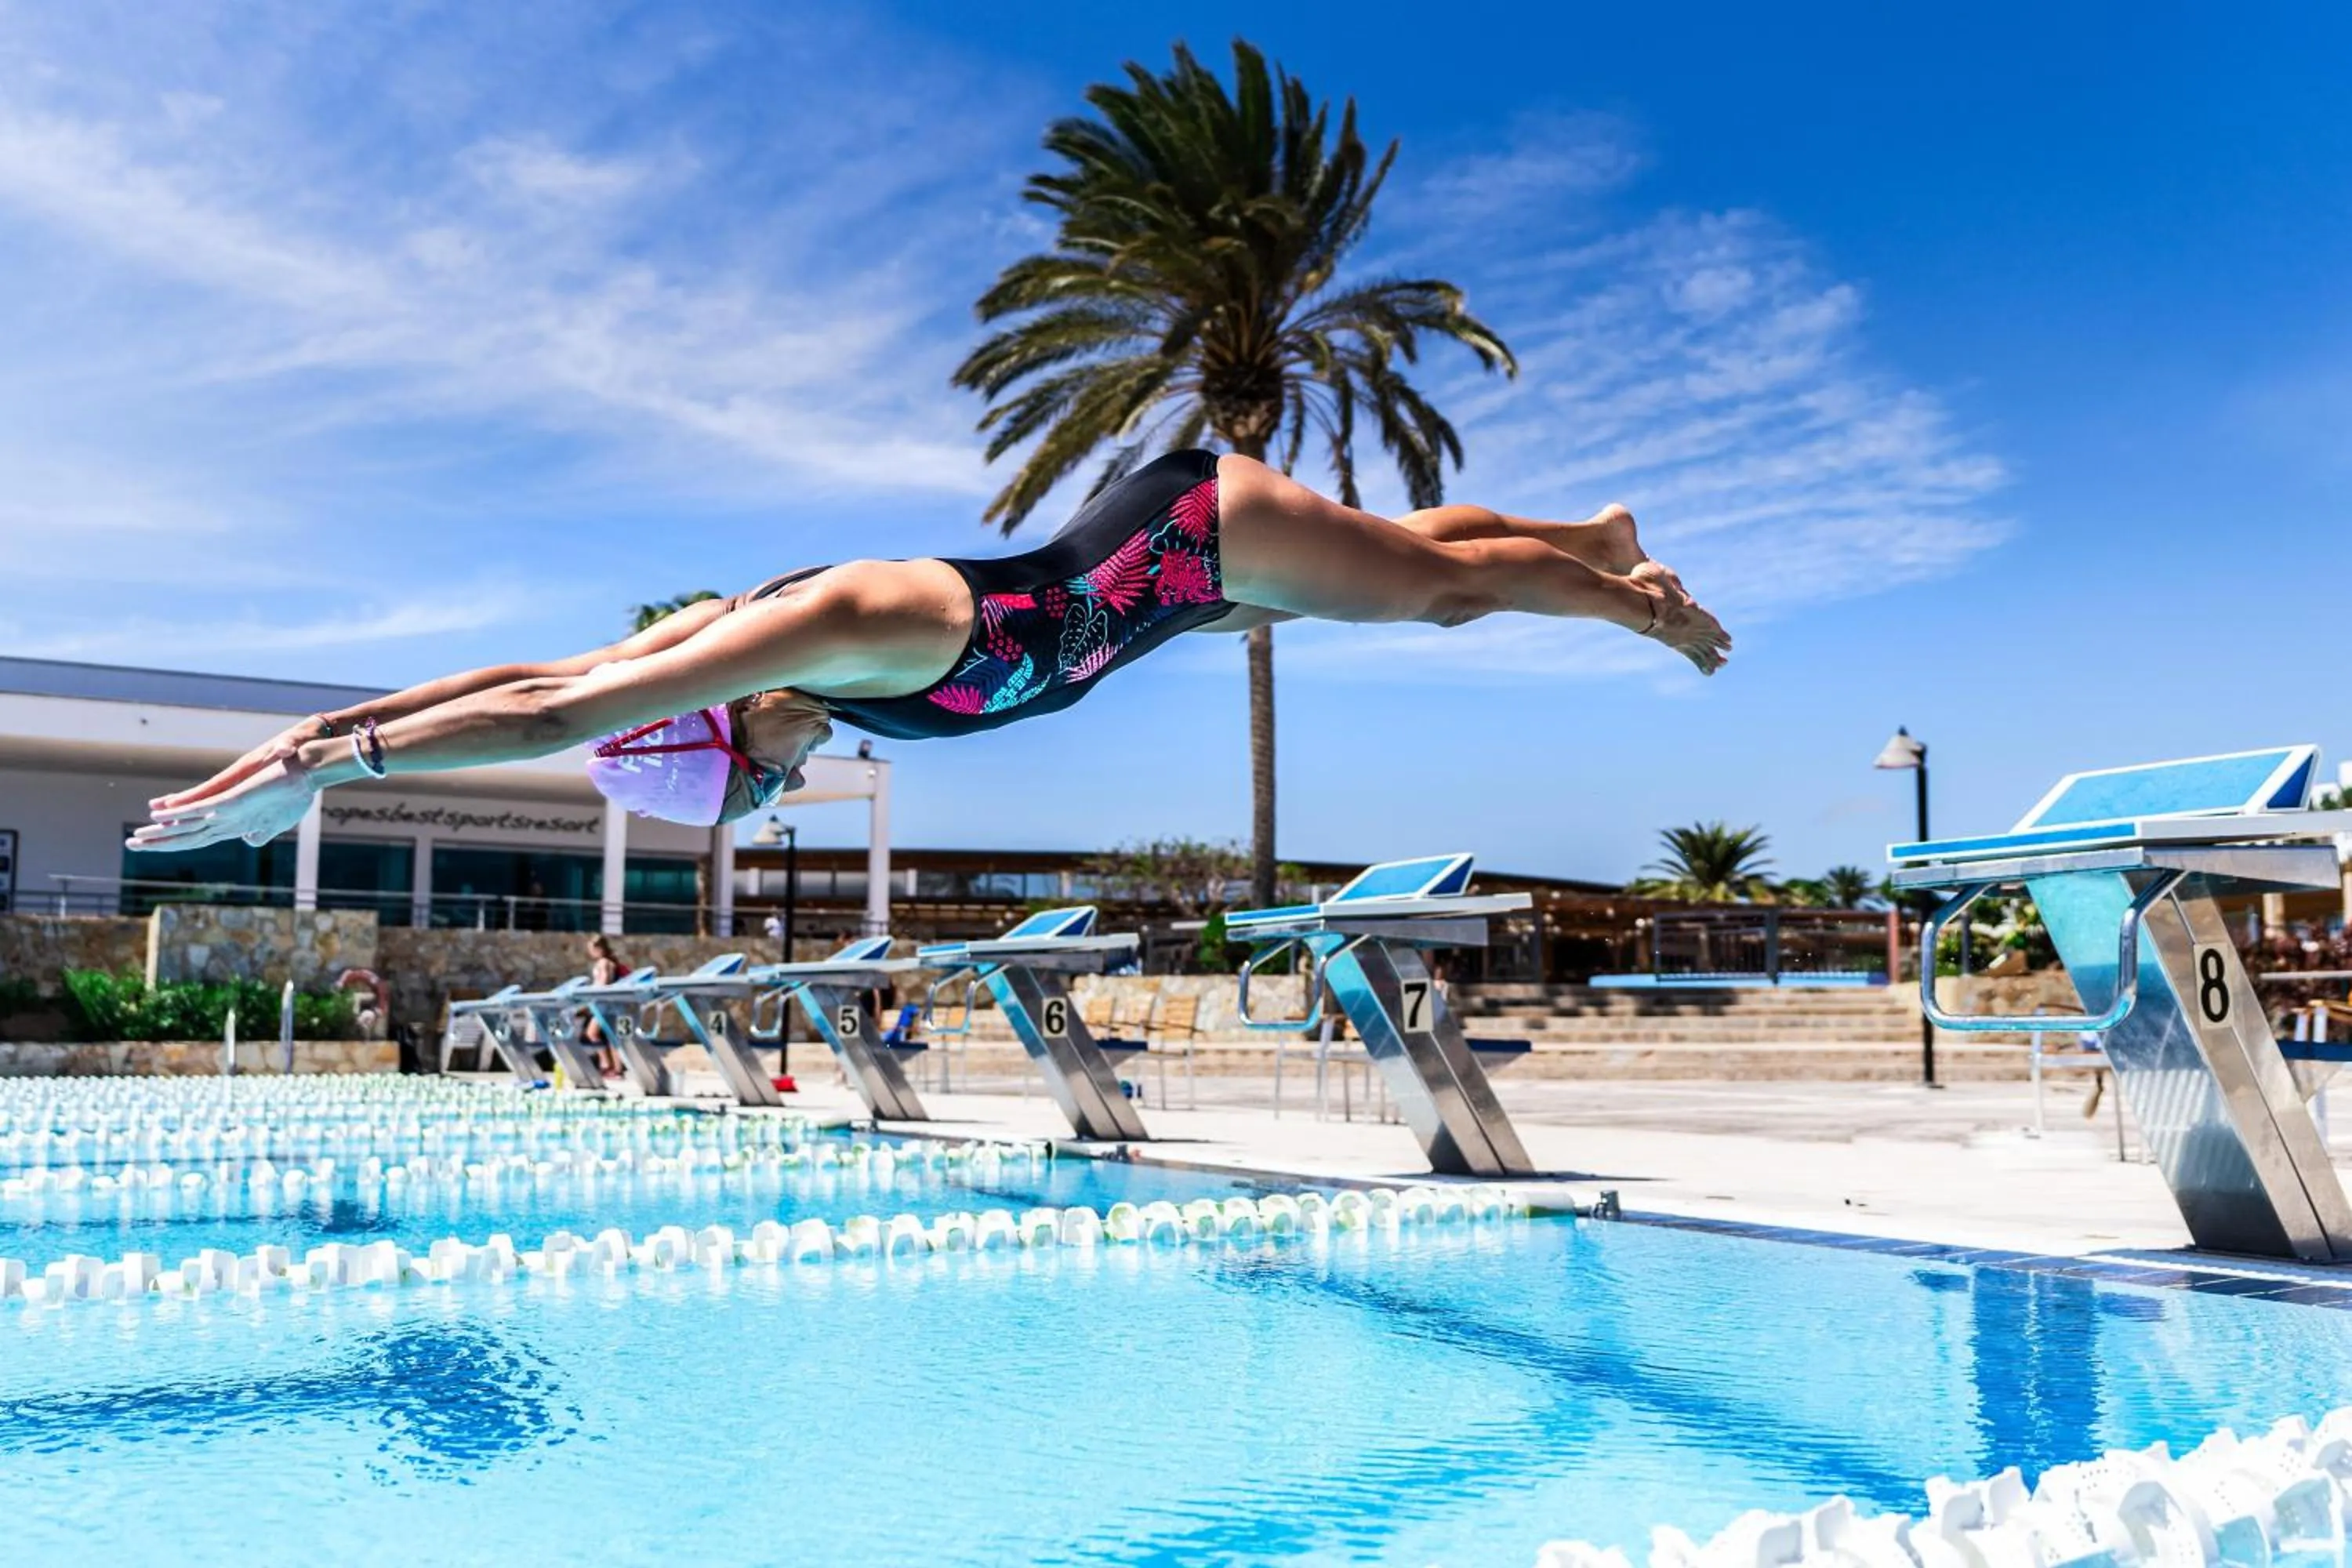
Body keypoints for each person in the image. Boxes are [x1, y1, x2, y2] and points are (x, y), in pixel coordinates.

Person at [127, 451, 1731, 848]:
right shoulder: (804, 674)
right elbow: (514, 676)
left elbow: (555, 705)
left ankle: (1632, 597)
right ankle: (1588, 537)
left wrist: (333, 778)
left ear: (717, 732)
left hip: (1190, 534)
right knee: (1407, 563)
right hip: (1184, 590)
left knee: (1439, 594)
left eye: (749, 796)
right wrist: (318, 732)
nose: (779, 798)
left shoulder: (843, 630)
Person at [581, 933, 626, 1077]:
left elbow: (604, 981)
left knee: (592, 1033)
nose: (590, 953)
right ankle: (615, 1068)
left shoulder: (603, 963)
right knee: (610, 1036)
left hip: (602, 1004)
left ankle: (607, 1065)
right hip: (607, 1003)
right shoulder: (610, 962)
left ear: (599, 949)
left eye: (592, 949)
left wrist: (591, 993)